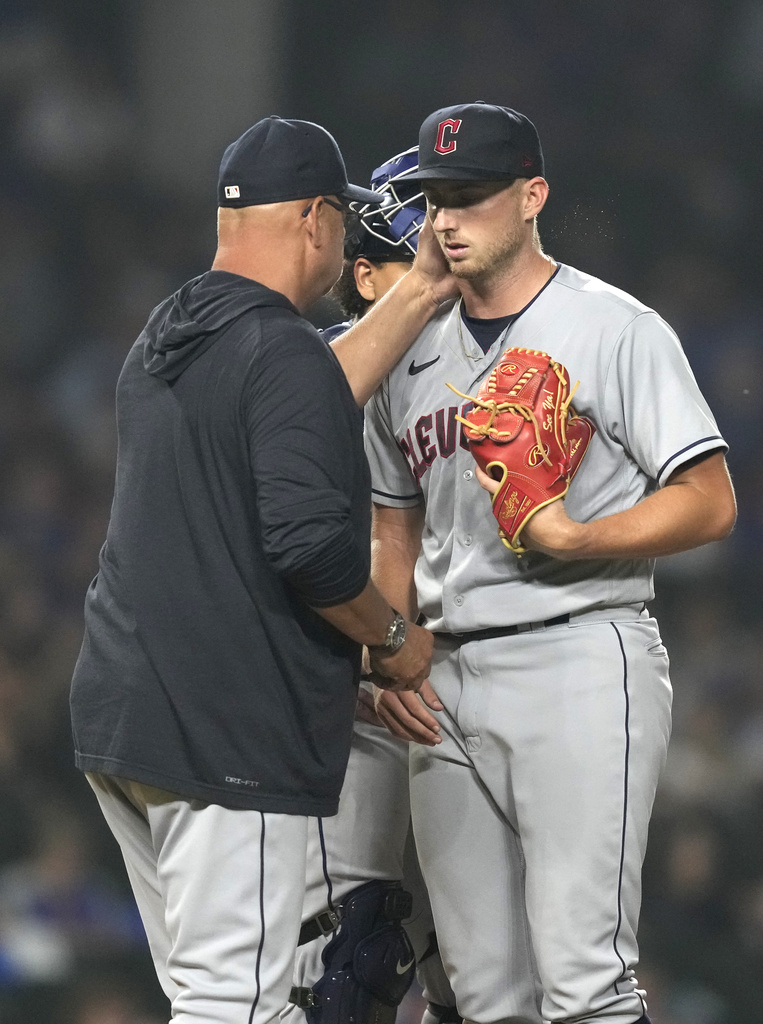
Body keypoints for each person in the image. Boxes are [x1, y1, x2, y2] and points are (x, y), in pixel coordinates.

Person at [69, 115, 458, 1023]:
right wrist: (392, 638)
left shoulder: (174, 329)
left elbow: (304, 391)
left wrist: (414, 297)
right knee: (238, 1007)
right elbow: (311, 550)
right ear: (320, 221)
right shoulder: (278, 349)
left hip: (130, 718)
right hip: (224, 732)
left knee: (221, 998)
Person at [364, 102, 737, 1024]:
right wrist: (387, 648)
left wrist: (574, 537)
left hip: (577, 652)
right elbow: (391, 528)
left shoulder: (613, 327)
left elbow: (711, 500)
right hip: (442, 675)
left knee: (583, 982)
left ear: (531, 195)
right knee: (483, 992)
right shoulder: (404, 346)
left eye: (471, 196)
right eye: (432, 198)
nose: (446, 218)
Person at [286, 147, 458, 1024]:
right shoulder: (307, 378)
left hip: (461, 692)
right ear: (364, 274)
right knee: (353, 962)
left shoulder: (502, 371)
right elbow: (294, 547)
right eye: (419, 258)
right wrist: (374, 649)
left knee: (494, 974)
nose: (445, 278)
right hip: (354, 699)